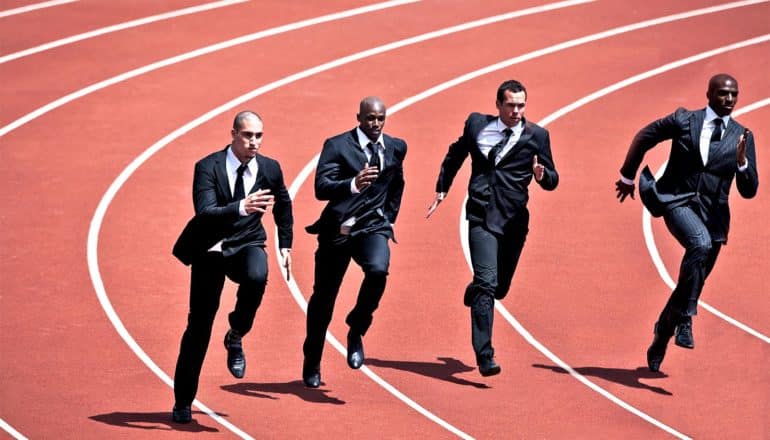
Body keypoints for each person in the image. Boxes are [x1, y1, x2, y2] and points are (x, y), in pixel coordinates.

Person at [615, 73, 758, 372]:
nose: (729, 99)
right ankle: (687, 318)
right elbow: (645, 136)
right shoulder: (684, 120)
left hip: (714, 216)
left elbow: (750, 190)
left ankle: (662, 333)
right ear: (709, 95)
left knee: (691, 281)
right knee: (699, 243)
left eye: (734, 94)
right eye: (723, 94)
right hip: (676, 201)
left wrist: (743, 163)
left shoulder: (743, 136)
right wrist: (628, 176)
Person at [427, 79, 559, 376]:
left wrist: (542, 175)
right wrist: (443, 187)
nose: (516, 111)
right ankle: (485, 355)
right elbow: (457, 152)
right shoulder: (476, 125)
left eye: (521, 105)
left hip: (513, 221)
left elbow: (553, 178)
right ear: (498, 105)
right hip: (481, 215)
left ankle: (476, 290)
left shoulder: (538, 136)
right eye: (510, 105)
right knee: (487, 283)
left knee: (498, 289)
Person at [170, 111, 293, 423]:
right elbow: (205, 211)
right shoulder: (207, 167)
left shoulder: (269, 168)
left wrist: (285, 244)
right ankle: (183, 401)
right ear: (233, 135)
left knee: (257, 275)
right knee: (198, 328)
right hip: (210, 250)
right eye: (248, 135)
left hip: (247, 242)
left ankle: (236, 332)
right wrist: (241, 206)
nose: (254, 142)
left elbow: (284, 203)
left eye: (259, 136)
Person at [302, 96, 407, 388]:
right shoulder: (336, 146)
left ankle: (356, 328)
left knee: (378, 270)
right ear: (359, 118)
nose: (376, 124)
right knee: (323, 300)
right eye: (370, 118)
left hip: (373, 227)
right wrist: (352, 184)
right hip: (338, 231)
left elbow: (397, 183)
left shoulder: (396, 147)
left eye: (381, 118)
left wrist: (390, 218)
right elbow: (321, 188)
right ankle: (312, 361)